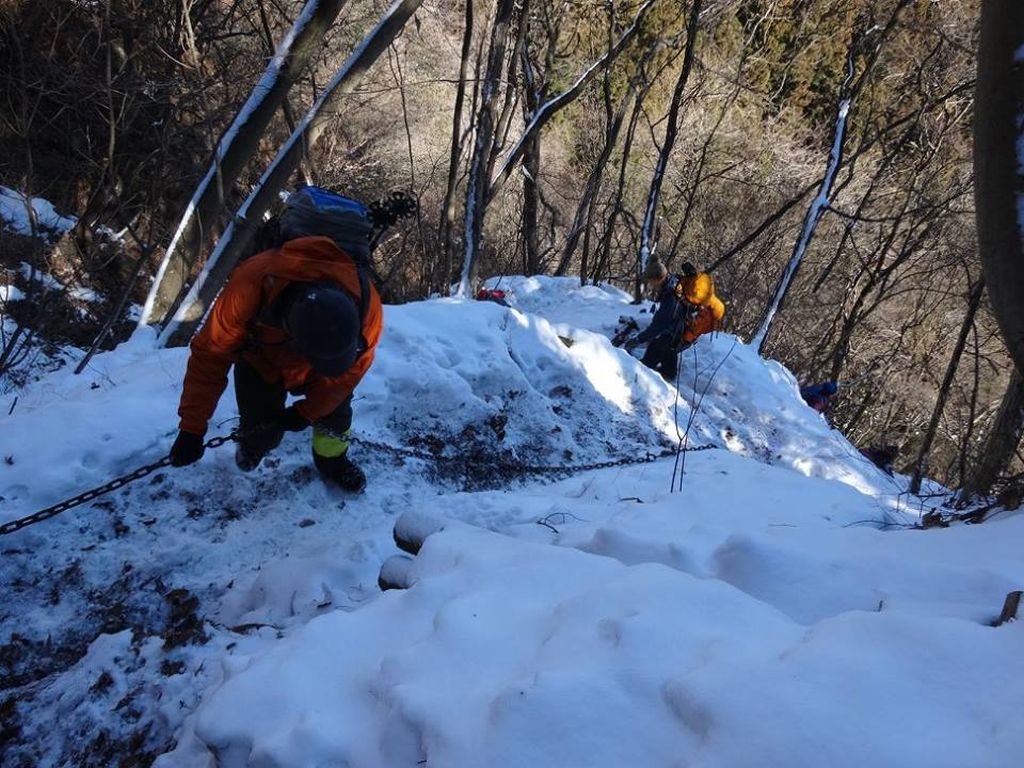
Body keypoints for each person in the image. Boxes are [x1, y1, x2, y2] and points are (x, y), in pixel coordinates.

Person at [167, 188, 384, 492]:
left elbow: (348, 375)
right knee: (260, 425)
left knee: (335, 413)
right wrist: (192, 427)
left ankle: (332, 460)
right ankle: (253, 446)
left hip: (325, 364)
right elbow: (210, 355)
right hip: (261, 360)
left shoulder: (367, 306)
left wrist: (308, 412)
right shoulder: (253, 282)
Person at [616, 257, 725, 382]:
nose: (650, 284)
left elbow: (659, 325)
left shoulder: (670, 296)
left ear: (658, 278)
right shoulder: (675, 283)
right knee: (669, 348)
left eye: (650, 281)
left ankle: (638, 381)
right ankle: (669, 374)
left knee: (651, 355)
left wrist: (638, 340)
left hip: (680, 332)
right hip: (684, 330)